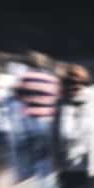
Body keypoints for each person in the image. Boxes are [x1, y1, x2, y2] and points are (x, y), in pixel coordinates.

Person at [15, 51, 60, 179]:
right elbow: (56, 98)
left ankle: (29, 180)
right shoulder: (52, 80)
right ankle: (44, 180)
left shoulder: (24, 77)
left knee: (28, 156)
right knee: (45, 155)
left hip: (28, 121)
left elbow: (18, 96)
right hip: (47, 121)